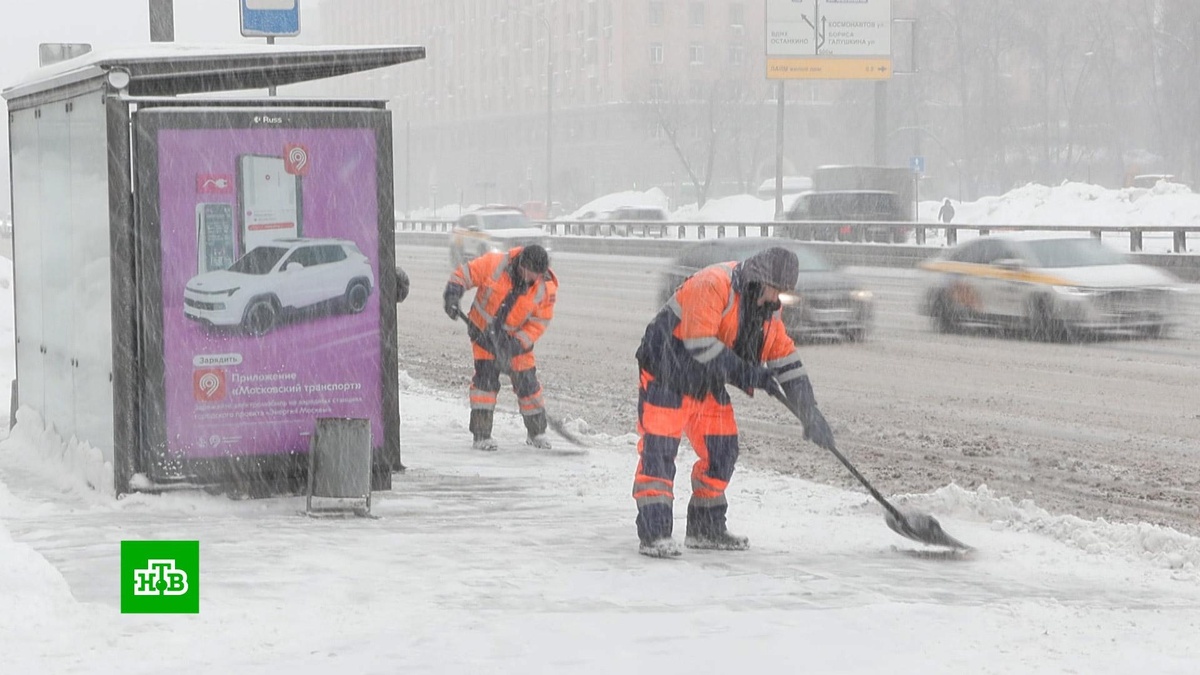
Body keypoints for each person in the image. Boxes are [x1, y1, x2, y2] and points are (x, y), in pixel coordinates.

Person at [631, 246, 836, 558]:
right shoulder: (713, 284)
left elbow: (787, 361)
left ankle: (706, 528)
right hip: (666, 373)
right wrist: (750, 374)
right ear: (760, 280)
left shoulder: (764, 312)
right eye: (776, 289)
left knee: (722, 449)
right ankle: (655, 533)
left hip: (705, 381)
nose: (777, 298)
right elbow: (699, 342)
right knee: (659, 453)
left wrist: (810, 413)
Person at [442, 245, 558, 452]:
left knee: (528, 386)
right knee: (485, 386)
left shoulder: (545, 288)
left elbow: (539, 322)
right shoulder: (495, 264)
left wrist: (516, 344)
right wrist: (453, 294)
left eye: (537, 275)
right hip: (483, 335)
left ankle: (537, 432)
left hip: (515, 343)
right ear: (522, 265)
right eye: (531, 273)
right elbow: (464, 274)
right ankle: (481, 435)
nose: (533, 279)